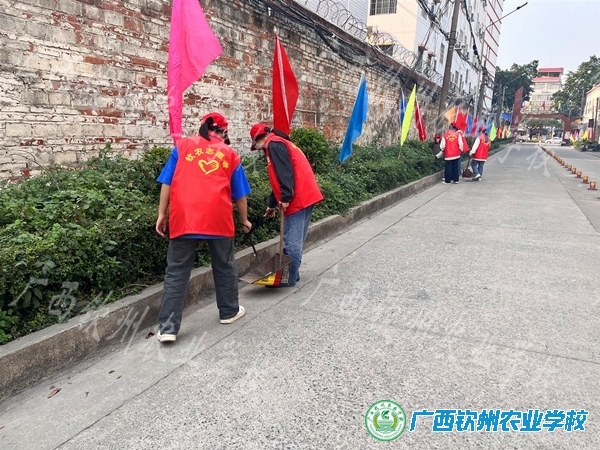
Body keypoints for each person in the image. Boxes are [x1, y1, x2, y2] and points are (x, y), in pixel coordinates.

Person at [154, 112, 253, 343]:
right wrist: (244, 220)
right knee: (224, 265)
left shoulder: (182, 147)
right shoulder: (230, 154)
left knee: (176, 271)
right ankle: (229, 311)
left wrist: (162, 214)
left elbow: (167, 182)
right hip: (218, 218)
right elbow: (240, 196)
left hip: (184, 217)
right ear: (224, 132)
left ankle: (168, 328)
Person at [249, 123, 324, 287]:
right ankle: (293, 273)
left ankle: (289, 278)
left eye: (256, 146)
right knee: (296, 239)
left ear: (258, 139)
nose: (259, 150)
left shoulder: (274, 145)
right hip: (306, 195)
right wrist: (272, 204)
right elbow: (279, 178)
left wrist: (286, 197)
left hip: (298, 198)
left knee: (291, 243)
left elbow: (286, 173)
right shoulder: (279, 143)